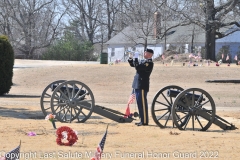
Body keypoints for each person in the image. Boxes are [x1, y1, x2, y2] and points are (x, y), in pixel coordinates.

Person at [128, 48, 154, 126]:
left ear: (149, 54)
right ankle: (142, 120)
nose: (144, 53)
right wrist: (130, 58)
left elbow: (138, 67)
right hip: (138, 84)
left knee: (142, 104)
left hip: (142, 84)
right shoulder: (143, 61)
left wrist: (136, 57)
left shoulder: (149, 62)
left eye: (145, 52)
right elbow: (133, 64)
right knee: (139, 103)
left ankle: (145, 121)